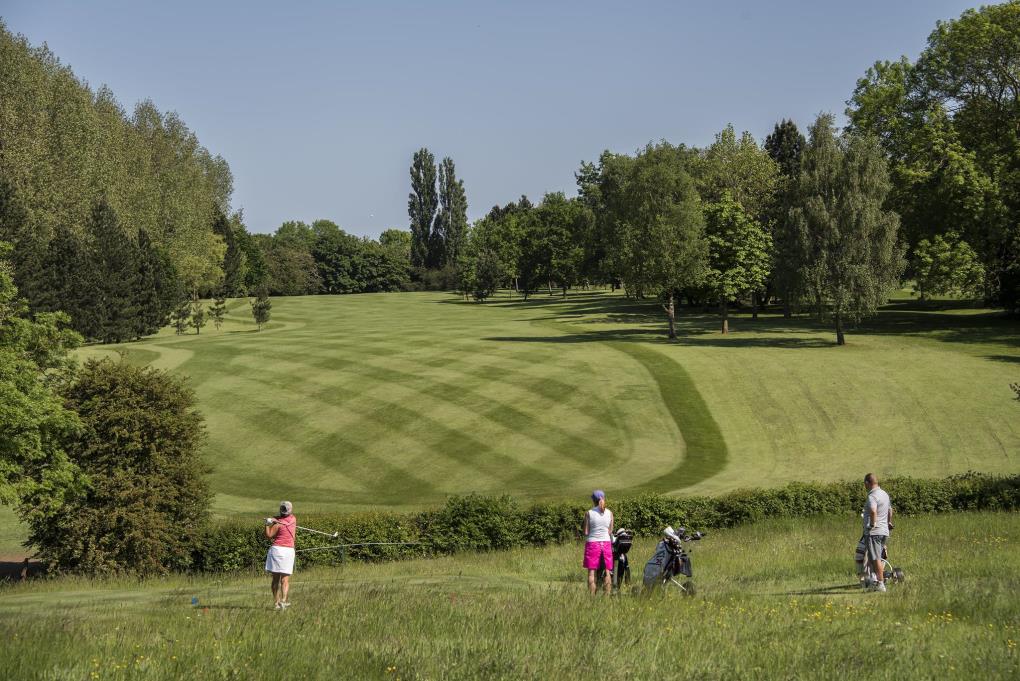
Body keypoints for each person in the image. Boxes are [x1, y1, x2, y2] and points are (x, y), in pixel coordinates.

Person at [855, 474, 892, 592]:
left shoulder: (872, 495)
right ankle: (873, 581)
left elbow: (873, 510)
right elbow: (890, 510)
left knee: (875, 558)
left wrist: (872, 524)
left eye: (864, 484)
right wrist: (889, 522)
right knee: (874, 557)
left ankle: (880, 584)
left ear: (867, 483)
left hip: (874, 532)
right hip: (884, 531)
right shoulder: (884, 494)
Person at [265, 500, 297, 610]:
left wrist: (268, 524)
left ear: (280, 510)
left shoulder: (277, 524)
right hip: (288, 551)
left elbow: (269, 535)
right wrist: (274, 519)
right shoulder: (293, 519)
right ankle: (283, 601)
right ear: (290, 510)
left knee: (275, 579)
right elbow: (280, 518)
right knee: (285, 580)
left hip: (277, 550)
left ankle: (276, 603)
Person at [582, 489, 614, 595]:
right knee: (607, 571)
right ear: (603, 498)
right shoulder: (610, 513)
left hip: (592, 543)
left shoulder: (589, 513)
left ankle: (592, 598)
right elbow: (610, 531)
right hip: (606, 543)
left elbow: (586, 532)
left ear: (593, 500)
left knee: (592, 572)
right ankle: (607, 597)